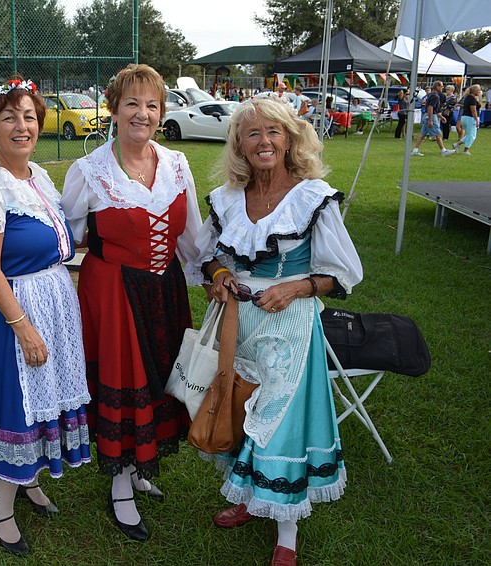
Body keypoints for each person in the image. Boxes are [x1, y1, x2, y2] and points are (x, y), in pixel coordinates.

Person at [195, 94, 363, 566]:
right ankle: (249, 498)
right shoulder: (228, 199)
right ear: (240, 145)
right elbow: (207, 257)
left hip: (288, 324)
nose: (264, 141)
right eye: (253, 133)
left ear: (289, 139)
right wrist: (219, 277)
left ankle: (286, 532)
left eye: (273, 131)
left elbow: (343, 272)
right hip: (238, 322)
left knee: (279, 419)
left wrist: (297, 288)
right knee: (239, 401)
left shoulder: (312, 198)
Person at [61, 64, 203, 542]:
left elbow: (193, 239)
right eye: (132, 104)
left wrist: (217, 276)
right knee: (126, 381)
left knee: (158, 376)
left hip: (165, 290)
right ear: (113, 111)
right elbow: (68, 237)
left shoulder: (178, 164)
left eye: (152, 105)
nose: (142, 113)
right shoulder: (89, 171)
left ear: (161, 112)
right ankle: (121, 484)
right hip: (115, 293)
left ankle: (141, 469)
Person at [0, 76, 92, 555]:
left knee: (44, 396)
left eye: (29, 116)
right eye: (9, 116)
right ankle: (2, 507)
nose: (21, 125)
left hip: (52, 299)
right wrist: (24, 327)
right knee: (18, 401)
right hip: (14, 311)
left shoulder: (38, 177)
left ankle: (28, 478)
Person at [411, 81, 456, 157]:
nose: (443, 88)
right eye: (441, 86)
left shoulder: (431, 95)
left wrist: (441, 117)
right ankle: (443, 150)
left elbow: (433, 108)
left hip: (427, 115)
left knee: (422, 134)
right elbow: (430, 108)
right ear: (437, 87)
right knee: (438, 134)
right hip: (431, 116)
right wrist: (431, 119)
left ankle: (415, 150)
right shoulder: (435, 96)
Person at [453, 84, 482, 156]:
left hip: (465, 117)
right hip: (470, 118)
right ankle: (465, 150)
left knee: (470, 134)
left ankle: (458, 144)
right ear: (475, 90)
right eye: (478, 89)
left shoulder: (467, 98)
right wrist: (477, 120)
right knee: (472, 135)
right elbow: (473, 111)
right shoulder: (472, 99)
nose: (480, 91)